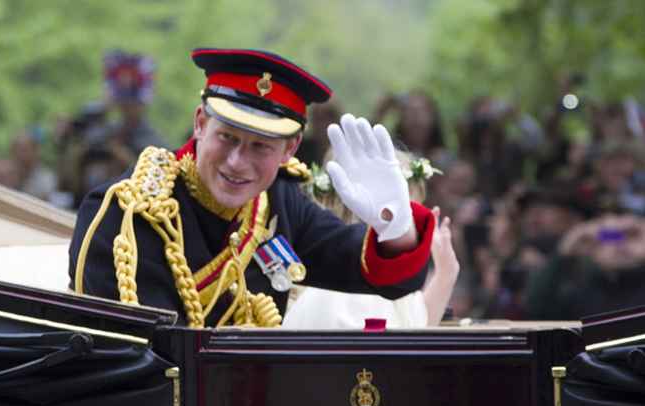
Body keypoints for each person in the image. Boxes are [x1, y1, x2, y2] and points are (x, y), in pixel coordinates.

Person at [69, 48, 435, 328]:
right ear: (200, 124)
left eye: (260, 146)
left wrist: (394, 225)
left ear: (289, 149)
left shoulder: (280, 201)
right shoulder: (128, 216)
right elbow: (133, 361)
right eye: (227, 137)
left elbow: (374, 273)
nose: (236, 162)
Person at [283, 152, 458, 329]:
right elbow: (404, 348)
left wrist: (446, 273)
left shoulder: (342, 277)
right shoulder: (356, 291)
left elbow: (416, 324)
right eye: (409, 210)